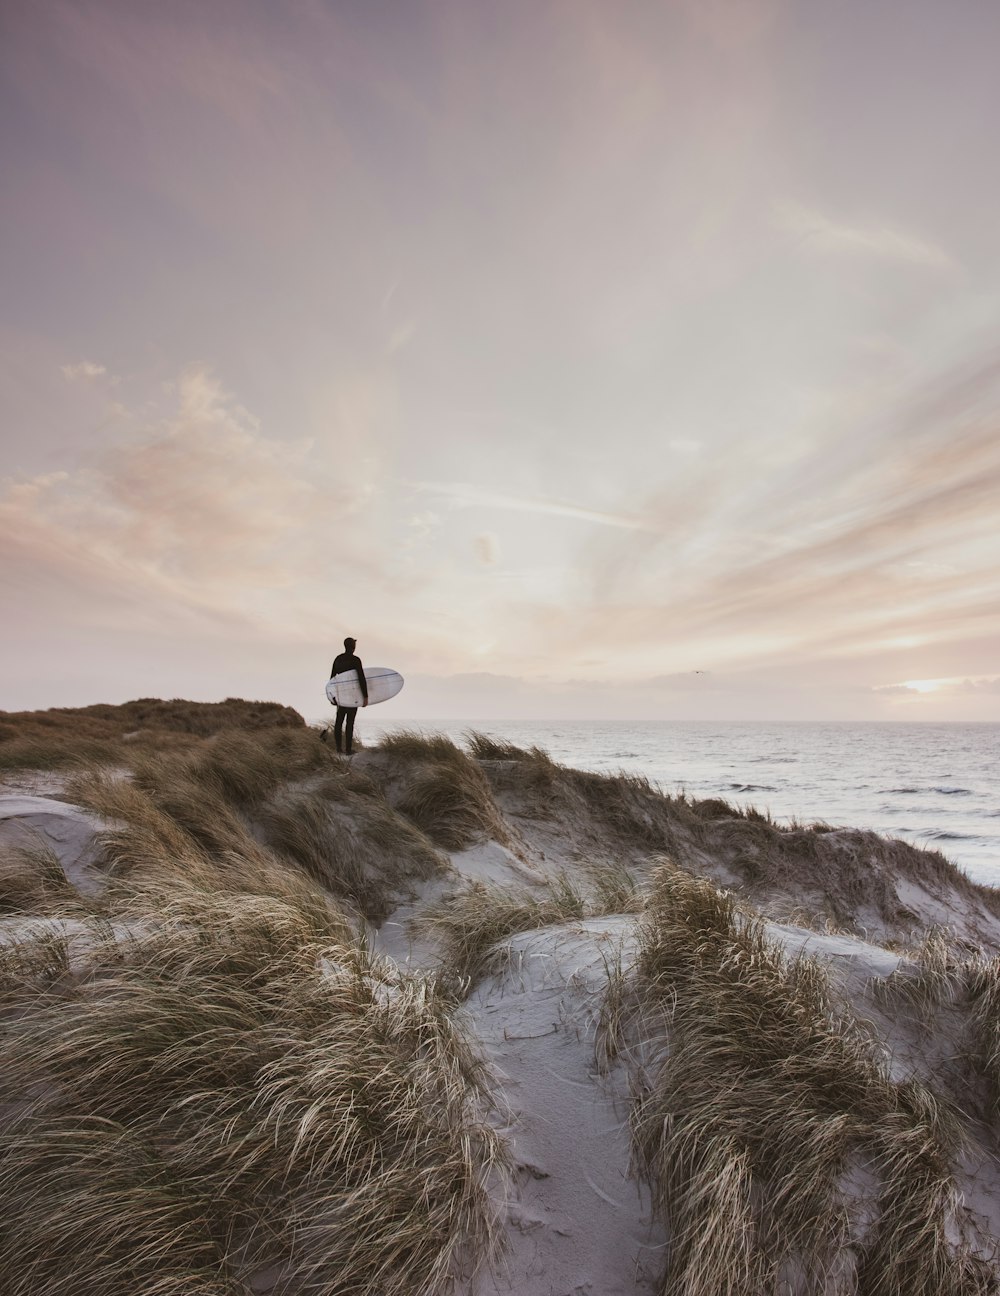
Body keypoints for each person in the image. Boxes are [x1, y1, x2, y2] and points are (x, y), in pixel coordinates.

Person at [327, 636, 368, 755]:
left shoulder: (338, 659)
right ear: (353, 647)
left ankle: (338, 748)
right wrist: (365, 697)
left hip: (340, 695)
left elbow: (332, 679)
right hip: (352, 696)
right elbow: (361, 678)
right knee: (350, 723)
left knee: (339, 721)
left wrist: (332, 696)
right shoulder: (356, 660)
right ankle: (348, 750)